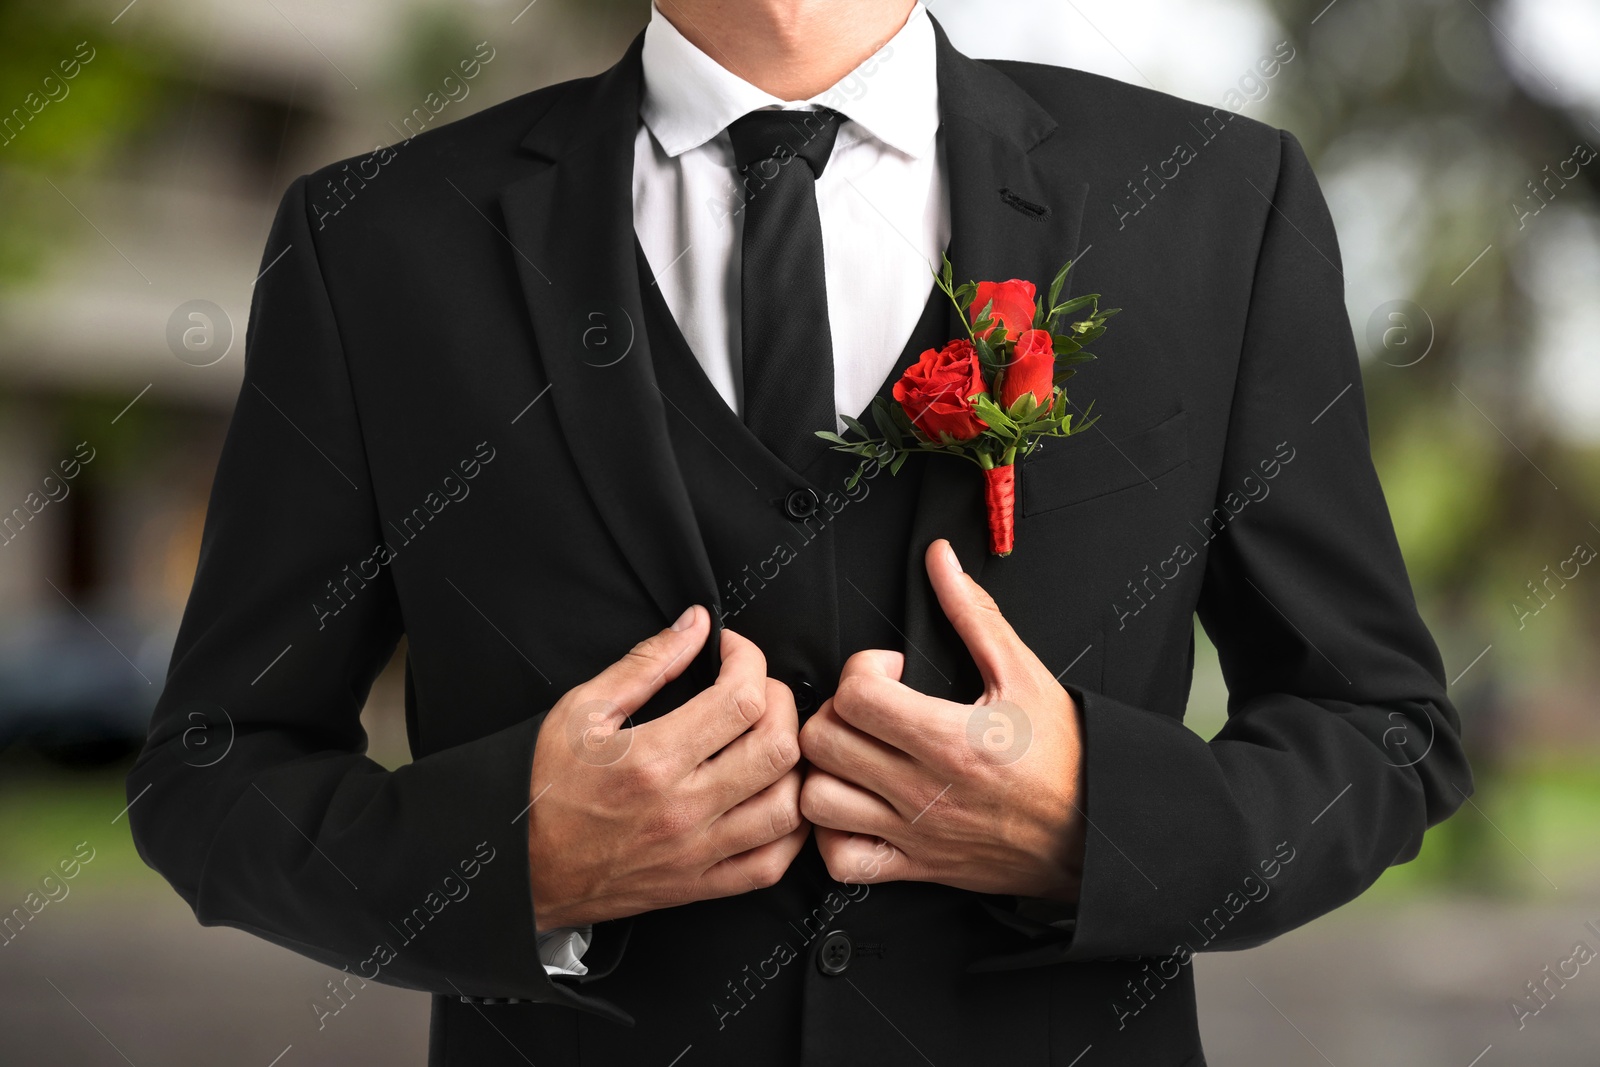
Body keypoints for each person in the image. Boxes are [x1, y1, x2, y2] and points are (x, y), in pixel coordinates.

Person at [126, 1, 1473, 1063]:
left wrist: (1096, 824)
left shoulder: (1212, 206)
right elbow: (208, 773)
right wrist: (510, 862)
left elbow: (1384, 731)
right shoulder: (379, 244)